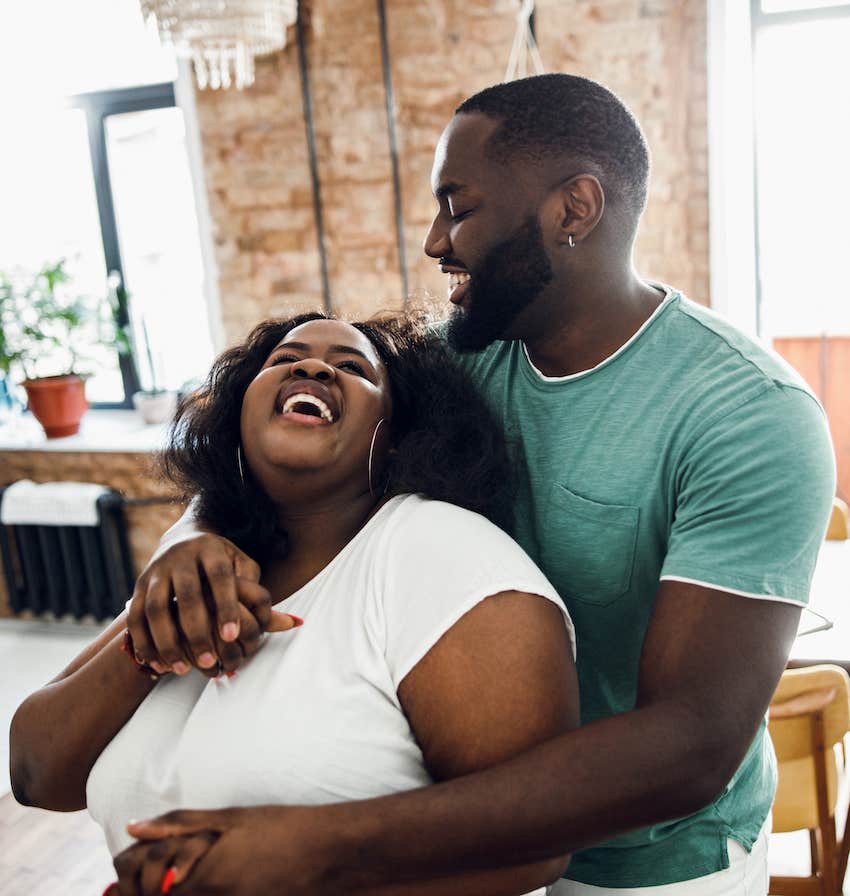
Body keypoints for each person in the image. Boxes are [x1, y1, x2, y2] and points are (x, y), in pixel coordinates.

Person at [71, 74, 834, 895]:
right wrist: (195, 544)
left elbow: (692, 743)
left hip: (652, 863)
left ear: (573, 210)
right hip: (456, 835)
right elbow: (288, 455)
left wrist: (316, 846)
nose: (436, 241)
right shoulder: (453, 362)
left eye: (459, 207)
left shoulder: (750, 415)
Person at [10, 312, 579, 896]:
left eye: (353, 368)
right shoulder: (198, 561)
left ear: (399, 435)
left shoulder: (442, 553)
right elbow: (36, 776)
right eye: (284, 360)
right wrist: (151, 638)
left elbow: (531, 847)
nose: (312, 366)